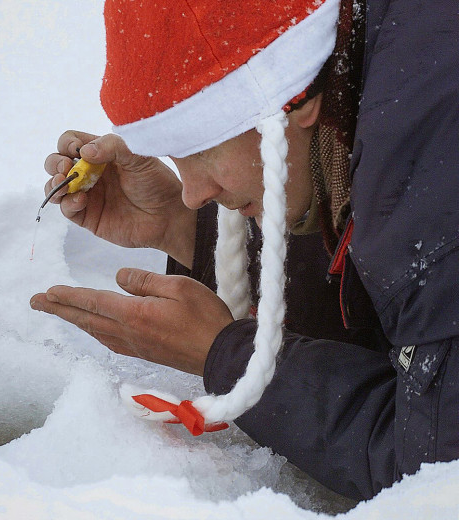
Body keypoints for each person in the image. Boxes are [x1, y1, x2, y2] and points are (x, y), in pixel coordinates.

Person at [30, 0, 459, 501]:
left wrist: (226, 354)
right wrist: (188, 231)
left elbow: (436, 472)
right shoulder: (383, 80)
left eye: (200, 148)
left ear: (294, 96)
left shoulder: (428, 174)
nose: (192, 192)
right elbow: (401, 331)